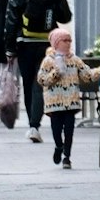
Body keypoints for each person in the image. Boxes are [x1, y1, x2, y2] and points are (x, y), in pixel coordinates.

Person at [4, 0, 72, 145]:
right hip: (48, 44)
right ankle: (35, 123)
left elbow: (10, 21)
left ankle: (32, 125)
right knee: (40, 83)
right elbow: (66, 16)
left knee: (28, 82)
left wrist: (9, 48)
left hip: (24, 43)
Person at [37, 27, 85, 168]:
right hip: (55, 103)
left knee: (69, 130)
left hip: (70, 101)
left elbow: (86, 74)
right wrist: (55, 73)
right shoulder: (48, 61)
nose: (68, 43)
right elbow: (42, 79)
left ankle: (67, 157)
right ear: (56, 43)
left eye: (69, 40)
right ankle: (59, 146)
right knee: (56, 129)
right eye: (65, 40)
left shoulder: (74, 60)